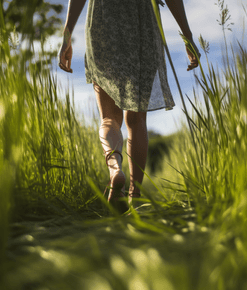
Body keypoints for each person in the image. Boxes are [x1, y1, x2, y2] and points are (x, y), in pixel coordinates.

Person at [58, 0, 200, 213]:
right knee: (136, 120)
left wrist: (66, 37)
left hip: (103, 21)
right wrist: (187, 37)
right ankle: (135, 196)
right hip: (143, 25)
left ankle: (115, 169)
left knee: (108, 118)